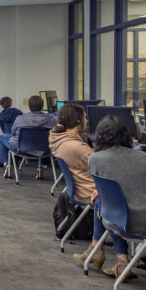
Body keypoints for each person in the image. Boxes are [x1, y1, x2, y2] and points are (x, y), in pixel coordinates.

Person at [87, 115, 146, 279]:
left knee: (109, 204)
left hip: (114, 221)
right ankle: (121, 262)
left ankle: (109, 255)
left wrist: (102, 191)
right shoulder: (144, 158)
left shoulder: (94, 159)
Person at [48, 103, 105, 268]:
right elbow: (104, 165)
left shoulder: (58, 138)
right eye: (85, 117)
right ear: (78, 120)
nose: (87, 119)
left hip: (79, 187)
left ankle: (99, 248)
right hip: (90, 190)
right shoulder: (75, 146)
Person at [0, 95, 56, 172]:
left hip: (21, 149)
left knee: (2, 137)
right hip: (44, 149)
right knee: (44, 140)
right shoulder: (51, 119)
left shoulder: (20, 118)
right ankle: (41, 167)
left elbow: (13, 133)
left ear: (29, 106)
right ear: (42, 106)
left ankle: (7, 164)